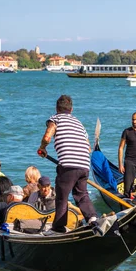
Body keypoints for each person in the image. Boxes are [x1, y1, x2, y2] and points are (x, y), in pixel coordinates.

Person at [38, 95, 98, 234]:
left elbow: (47, 137)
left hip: (68, 165)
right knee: (82, 194)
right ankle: (93, 218)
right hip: (84, 164)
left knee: (62, 196)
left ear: (57, 108)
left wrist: (43, 148)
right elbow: (88, 147)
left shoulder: (56, 118)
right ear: (71, 109)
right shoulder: (79, 123)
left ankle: (58, 227)